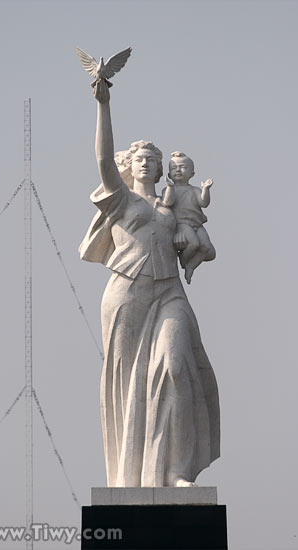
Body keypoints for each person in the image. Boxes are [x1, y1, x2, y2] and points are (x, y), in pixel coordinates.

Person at [79, 79, 220, 487]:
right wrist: (104, 105)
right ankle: (129, 476)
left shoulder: (173, 203)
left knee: (176, 366)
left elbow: (204, 245)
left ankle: (176, 470)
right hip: (127, 292)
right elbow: (104, 161)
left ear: (161, 169)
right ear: (131, 164)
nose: (144, 164)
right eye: (138, 159)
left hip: (169, 292)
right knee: (129, 385)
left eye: (150, 160)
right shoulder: (121, 198)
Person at [164, 152, 216, 284]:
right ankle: (183, 259)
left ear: (192, 174)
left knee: (207, 248)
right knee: (194, 243)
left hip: (197, 224)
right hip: (182, 223)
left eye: (182, 167)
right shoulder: (168, 189)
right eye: (174, 168)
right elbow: (167, 203)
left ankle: (190, 266)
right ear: (169, 174)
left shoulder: (195, 190)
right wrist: (170, 188)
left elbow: (204, 203)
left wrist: (205, 189)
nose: (178, 170)